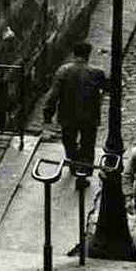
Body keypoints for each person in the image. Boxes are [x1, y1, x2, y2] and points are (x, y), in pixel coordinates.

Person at [42, 40, 108, 176]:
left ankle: (74, 163)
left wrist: (48, 114)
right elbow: (108, 88)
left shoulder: (63, 71)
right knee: (88, 145)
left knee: (69, 142)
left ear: (74, 54)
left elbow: (53, 95)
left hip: (67, 116)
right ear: (88, 55)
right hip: (90, 117)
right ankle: (84, 174)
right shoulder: (97, 72)